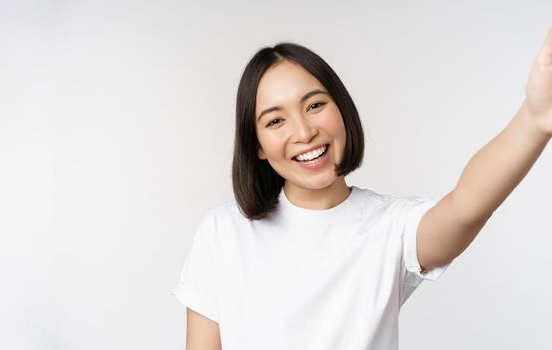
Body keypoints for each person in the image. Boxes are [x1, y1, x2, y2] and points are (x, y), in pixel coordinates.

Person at [172, 29, 552, 350]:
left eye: (315, 105)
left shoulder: (390, 228)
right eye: (275, 121)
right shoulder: (223, 233)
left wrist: (534, 119)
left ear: (341, 109)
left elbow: (465, 208)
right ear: (255, 144)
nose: (304, 133)